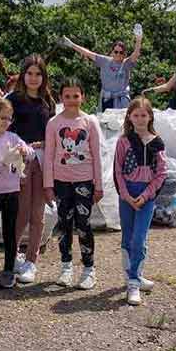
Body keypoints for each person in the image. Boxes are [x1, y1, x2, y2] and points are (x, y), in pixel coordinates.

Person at [43, 78, 103, 290]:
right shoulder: (53, 124)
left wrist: (99, 185)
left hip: (84, 181)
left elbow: (97, 155)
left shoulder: (90, 122)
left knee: (83, 224)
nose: (71, 100)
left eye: (75, 96)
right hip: (61, 182)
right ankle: (66, 267)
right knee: (64, 224)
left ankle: (88, 269)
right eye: (67, 96)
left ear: (83, 97)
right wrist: (48, 185)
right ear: (61, 97)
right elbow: (49, 156)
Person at [114, 96, 167, 306]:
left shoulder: (157, 142)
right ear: (129, 117)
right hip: (127, 194)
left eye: (143, 115)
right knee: (127, 237)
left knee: (139, 238)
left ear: (150, 117)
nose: (140, 119)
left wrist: (146, 195)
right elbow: (117, 171)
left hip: (147, 195)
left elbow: (161, 173)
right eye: (135, 115)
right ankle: (131, 275)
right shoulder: (123, 141)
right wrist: (126, 195)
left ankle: (134, 281)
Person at [7, 54, 54, 284]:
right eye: (29, 73)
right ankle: (12, 256)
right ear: (23, 75)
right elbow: (3, 130)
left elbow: (53, 133)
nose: (33, 78)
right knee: (21, 212)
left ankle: (31, 261)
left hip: (42, 161)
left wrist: (44, 143)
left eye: (38, 74)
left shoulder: (48, 102)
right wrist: (20, 147)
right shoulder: (13, 100)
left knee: (38, 213)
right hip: (20, 161)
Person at [0, 97, 35, 288]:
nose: (6, 121)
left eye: (9, 118)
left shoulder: (13, 137)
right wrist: (3, 161)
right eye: (2, 117)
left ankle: (9, 271)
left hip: (12, 193)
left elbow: (31, 154)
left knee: (10, 233)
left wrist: (25, 150)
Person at [60, 24, 143, 110]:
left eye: (121, 52)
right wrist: (71, 44)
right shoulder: (105, 61)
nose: (118, 54)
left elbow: (136, 53)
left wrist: (138, 39)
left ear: (124, 54)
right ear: (112, 52)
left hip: (121, 101)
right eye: (116, 52)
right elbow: (88, 53)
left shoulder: (126, 64)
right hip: (106, 99)